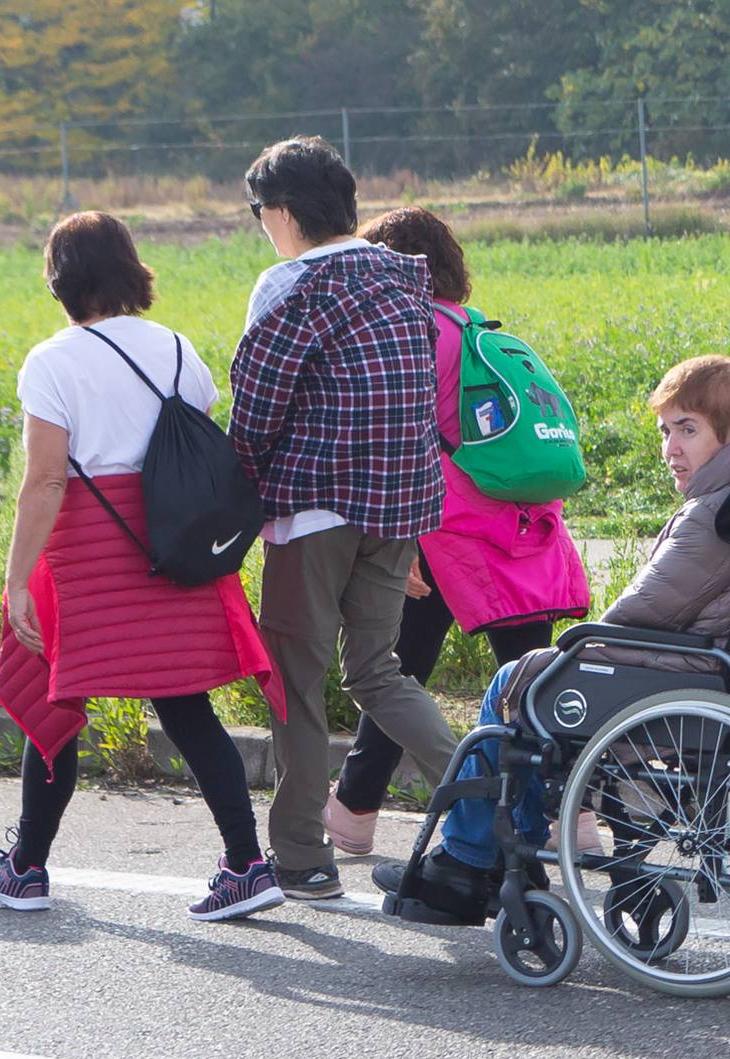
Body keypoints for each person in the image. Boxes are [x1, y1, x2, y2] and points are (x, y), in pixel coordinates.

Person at [0, 212, 290, 920]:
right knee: (185, 706)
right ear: (129, 267)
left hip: (89, 552)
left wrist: (17, 578)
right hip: (171, 547)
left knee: (57, 703)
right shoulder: (174, 347)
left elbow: (47, 481)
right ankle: (247, 862)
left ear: (60, 280)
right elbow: (194, 439)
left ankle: (26, 869)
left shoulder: (51, 362)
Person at [374, 356, 730, 921]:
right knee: (535, 683)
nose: (670, 448)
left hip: (681, 684)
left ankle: (467, 861)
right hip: (707, 676)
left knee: (518, 684)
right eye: (665, 431)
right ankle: (493, 851)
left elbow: (641, 612)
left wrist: (572, 650)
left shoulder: (716, 514)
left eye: (688, 430)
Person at [321, 206, 590, 860]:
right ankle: (573, 821)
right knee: (534, 686)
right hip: (519, 525)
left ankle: (356, 811)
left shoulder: (406, 334)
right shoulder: (479, 330)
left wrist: (398, 536)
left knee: (392, 673)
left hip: (444, 531)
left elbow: (393, 442)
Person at [230, 136, 455, 902]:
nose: (262, 224)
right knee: (377, 672)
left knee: (297, 683)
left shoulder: (290, 284)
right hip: (399, 505)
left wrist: (235, 497)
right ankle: (488, 801)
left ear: (284, 213)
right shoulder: (402, 278)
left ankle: (301, 858)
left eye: (260, 211)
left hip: (315, 511)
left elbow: (256, 407)